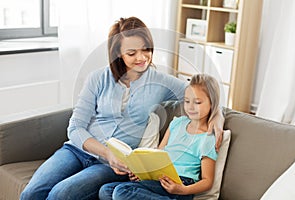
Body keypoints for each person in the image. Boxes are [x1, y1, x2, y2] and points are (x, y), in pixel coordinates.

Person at [20, 17, 224, 200]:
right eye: (132, 52)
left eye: (146, 49)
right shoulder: (98, 78)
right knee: (31, 193)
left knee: (60, 195)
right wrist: (107, 152)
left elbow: (201, 96)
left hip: (111, 167)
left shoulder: (161, 82)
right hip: (76, 150)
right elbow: (75, 127)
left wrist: (217, 117)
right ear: (118, 53)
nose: (142, 57)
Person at [99, 73, 221, 200]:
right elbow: (159, 153)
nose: (190, 107)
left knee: (121, 192)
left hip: (181, 184)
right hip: (159, 178)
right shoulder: (176, 123)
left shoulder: (208, 137)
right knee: (106, 191)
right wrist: (141, 172)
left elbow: (207, 181)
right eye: (187, 101)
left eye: (197, 102)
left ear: (212, 103)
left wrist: (184, 190)